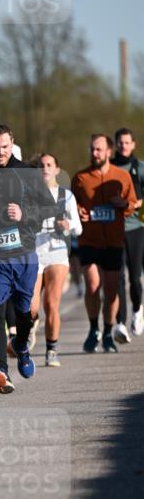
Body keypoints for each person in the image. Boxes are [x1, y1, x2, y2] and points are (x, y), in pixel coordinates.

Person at [0, 123, 56, 393]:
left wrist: (24, 216)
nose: (0, 152)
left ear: (12, 143)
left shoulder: (28, 173)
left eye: (5, 147)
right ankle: (1, 372)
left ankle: (21, 346)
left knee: (25, 313)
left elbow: (49, 208)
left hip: (24, 255)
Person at [71, 134, 137, 354]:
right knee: (92, 285)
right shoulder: (80, 178)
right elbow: (72, 206)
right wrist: (78, 211)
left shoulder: (122, 176)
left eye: (98, 149)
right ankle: (93, 329)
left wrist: (123, 203)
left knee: (110, 289)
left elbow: (132, 205)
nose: (94, 153)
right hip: (88, 239)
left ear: (108, 151)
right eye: (92, 149)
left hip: (113, 240)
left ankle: (108, 331)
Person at [30, 154, 82, 366]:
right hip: (33, 253)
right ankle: (32, 322)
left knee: (51, 304)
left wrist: (68, 226)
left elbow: (79, 228)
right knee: (30, 307)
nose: (45, 168)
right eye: (41, 165)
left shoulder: (66, 196)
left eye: (49, 165)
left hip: (57, 253)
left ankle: (51, 350)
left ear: (57, 170)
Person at [112, 128, 144, 340]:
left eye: (127, 142)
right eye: (120, 142)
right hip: (113, 229)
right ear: (115, 145)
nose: (123, 146)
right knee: (117, 277)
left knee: (134, 275)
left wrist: (136, 203)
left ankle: (137, 310)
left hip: (135, 228)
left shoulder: (139, 167)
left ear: (133, 144)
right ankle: (120, 322)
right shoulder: (110, 167)